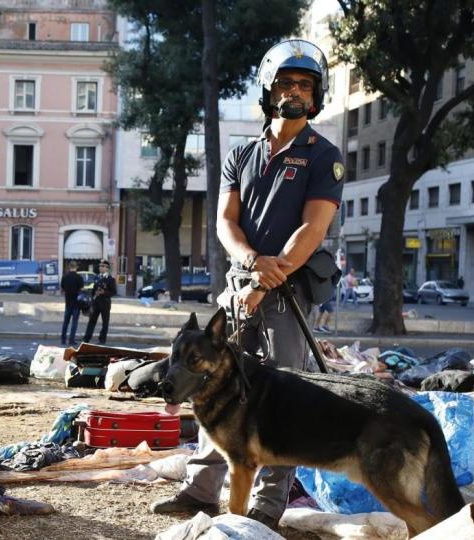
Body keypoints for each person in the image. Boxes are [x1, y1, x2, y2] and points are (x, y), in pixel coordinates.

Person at [151, 39, 344, 531]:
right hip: (240, 288)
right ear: (269, 89)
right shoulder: (242, 153)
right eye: (286, 82)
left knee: (280, 400)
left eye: (305, 84)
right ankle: (200, 489)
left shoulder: (325, 157)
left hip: (289, 294)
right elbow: (224, 222)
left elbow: (313, 229)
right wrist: (252, 266)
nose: (295, 91)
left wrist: (265, 276)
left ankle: (265, 505)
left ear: (316, 94)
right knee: (208, 388)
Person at [82, 259, 117, 344]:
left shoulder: (110, 279)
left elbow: (113, 292)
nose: (100, 267)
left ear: (107, 268)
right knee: (91, 321)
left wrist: (104, 292)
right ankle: (86, 338)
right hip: (96, 303)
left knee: (105, 322)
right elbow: (94, 289)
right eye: (100, 266)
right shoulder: (97, 277)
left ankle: (102, 339)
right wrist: (92, 297)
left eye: (102, 266)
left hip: (105, 303)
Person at [60, 261, 84, 345]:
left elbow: (62, 287)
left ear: (69, 266)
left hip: (68, 302)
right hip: (76, 303)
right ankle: (71, 340)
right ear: (76, 267)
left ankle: (63, 339)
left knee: (66, 322)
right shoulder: (78, 277)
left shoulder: (65, 276)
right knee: (74, 323)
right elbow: (81, 288)